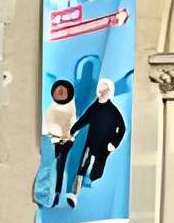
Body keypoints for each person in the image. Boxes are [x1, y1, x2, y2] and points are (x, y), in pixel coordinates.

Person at [41, 77, 83, 207]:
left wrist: (66, 137)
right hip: (50, 141)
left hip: (64, 142)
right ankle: (47, 193)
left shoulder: (70, 109)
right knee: (48, 167)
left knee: (60, 167)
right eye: (58, 90)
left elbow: (71, 126)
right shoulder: (51, 108)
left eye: (62, 92)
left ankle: (57, 194)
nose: (59, 93)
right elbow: (44, 125)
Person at [76, 78, 127, 187]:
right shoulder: (94, 108)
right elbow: (83, 120)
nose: (102, 92)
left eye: (105, 90)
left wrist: (114, 143)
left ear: (109, 92)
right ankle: (76, 189)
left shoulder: (113, 111)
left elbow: (122, 128)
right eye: (101, 89)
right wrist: (72, 130)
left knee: (98, 166)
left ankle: (91, 179)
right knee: (83, 163)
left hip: (105, 145)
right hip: (91, 141)